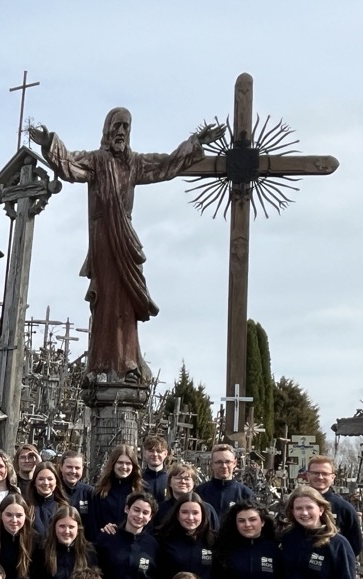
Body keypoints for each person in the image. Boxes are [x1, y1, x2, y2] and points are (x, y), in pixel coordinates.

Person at [29, 111, 221, 379]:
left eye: (126, 127)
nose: (121, 132)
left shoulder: (135, 163)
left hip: (125, 237)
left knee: (127, 303)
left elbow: (166, 165)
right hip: (104, 238)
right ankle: (101, 364)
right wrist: (49, 142)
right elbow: (70, 165)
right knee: (107, 299)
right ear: (107, 130)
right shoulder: (96, 161)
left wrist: (196, 143)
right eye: (116, 126)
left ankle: (128, 361)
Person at [278, 486, 357, 579]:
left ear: (321, 509)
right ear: (292, 512)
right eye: (299, 508)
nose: (304, 513)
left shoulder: (337, 544)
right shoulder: (286, 539)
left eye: (309, 507)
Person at [154, 492, 215, 579]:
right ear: (177, 515)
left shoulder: (214, 541)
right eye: (185, 512)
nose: (190, 517)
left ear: (203, 514)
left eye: (195, 513)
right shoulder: (162, 539)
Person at [304, 456, 363, 563]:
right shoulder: (294, 505)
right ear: (307, 475)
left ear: (333, 477)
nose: (320, 477)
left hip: (332, 571)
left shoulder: (344, 508)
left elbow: (355, 545)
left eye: (325, 474)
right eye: (315, 473)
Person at [88, 444, 143, 539]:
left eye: (128, 463)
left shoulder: (141, 491)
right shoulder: (100, 491)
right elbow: (93, 524)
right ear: (113, 464)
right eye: (120, 462)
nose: (124, 466)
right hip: (105, 544)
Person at [197, 444, 256, 522]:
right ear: (212, 464)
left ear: (234, 463)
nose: (224, 466)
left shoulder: (245, 494)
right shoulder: (200, 492)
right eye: (219, 462)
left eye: (228, 462)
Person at [156, 462, 219, 531]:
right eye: (178, 478)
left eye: (187, 479)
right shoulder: (160, 509)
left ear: (193, 483)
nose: (182, 481)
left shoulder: (207, 509)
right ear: (169, 483)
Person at [25, 461, 63, 538]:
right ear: (34, 482)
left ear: (56, 482)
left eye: (50, 479)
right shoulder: (26, 507)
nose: (46, 483)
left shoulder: (63, 508)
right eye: (41, 479)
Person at [58, 450, 95, 524]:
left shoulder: (89, 492)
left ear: (82, 469)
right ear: (61, 467)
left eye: (77, 468)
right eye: (69, 467)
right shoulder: (54, 490)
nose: (73, 471)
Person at [140, 435, 171, 507]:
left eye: (159, 451)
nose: (155, 454)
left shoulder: (171, 479)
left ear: (165, 453)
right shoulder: (138, 478)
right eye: (151, 451)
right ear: (144, 453)